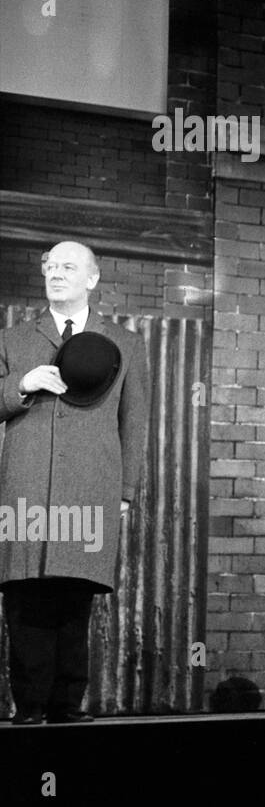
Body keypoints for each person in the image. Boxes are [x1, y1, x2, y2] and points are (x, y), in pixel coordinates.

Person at [0, 241, 148, 724]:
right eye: (50, 266)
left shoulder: (125, 343)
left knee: (74, 592)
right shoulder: (13, 339)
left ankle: (66, 705)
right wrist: (22, 385)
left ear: (92, 278)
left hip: (90, 484)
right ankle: (29, 707)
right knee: (25, 592)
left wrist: (125, 491)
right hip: (26, 484)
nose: (56, 273)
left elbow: (134, 421)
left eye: (68, 266)